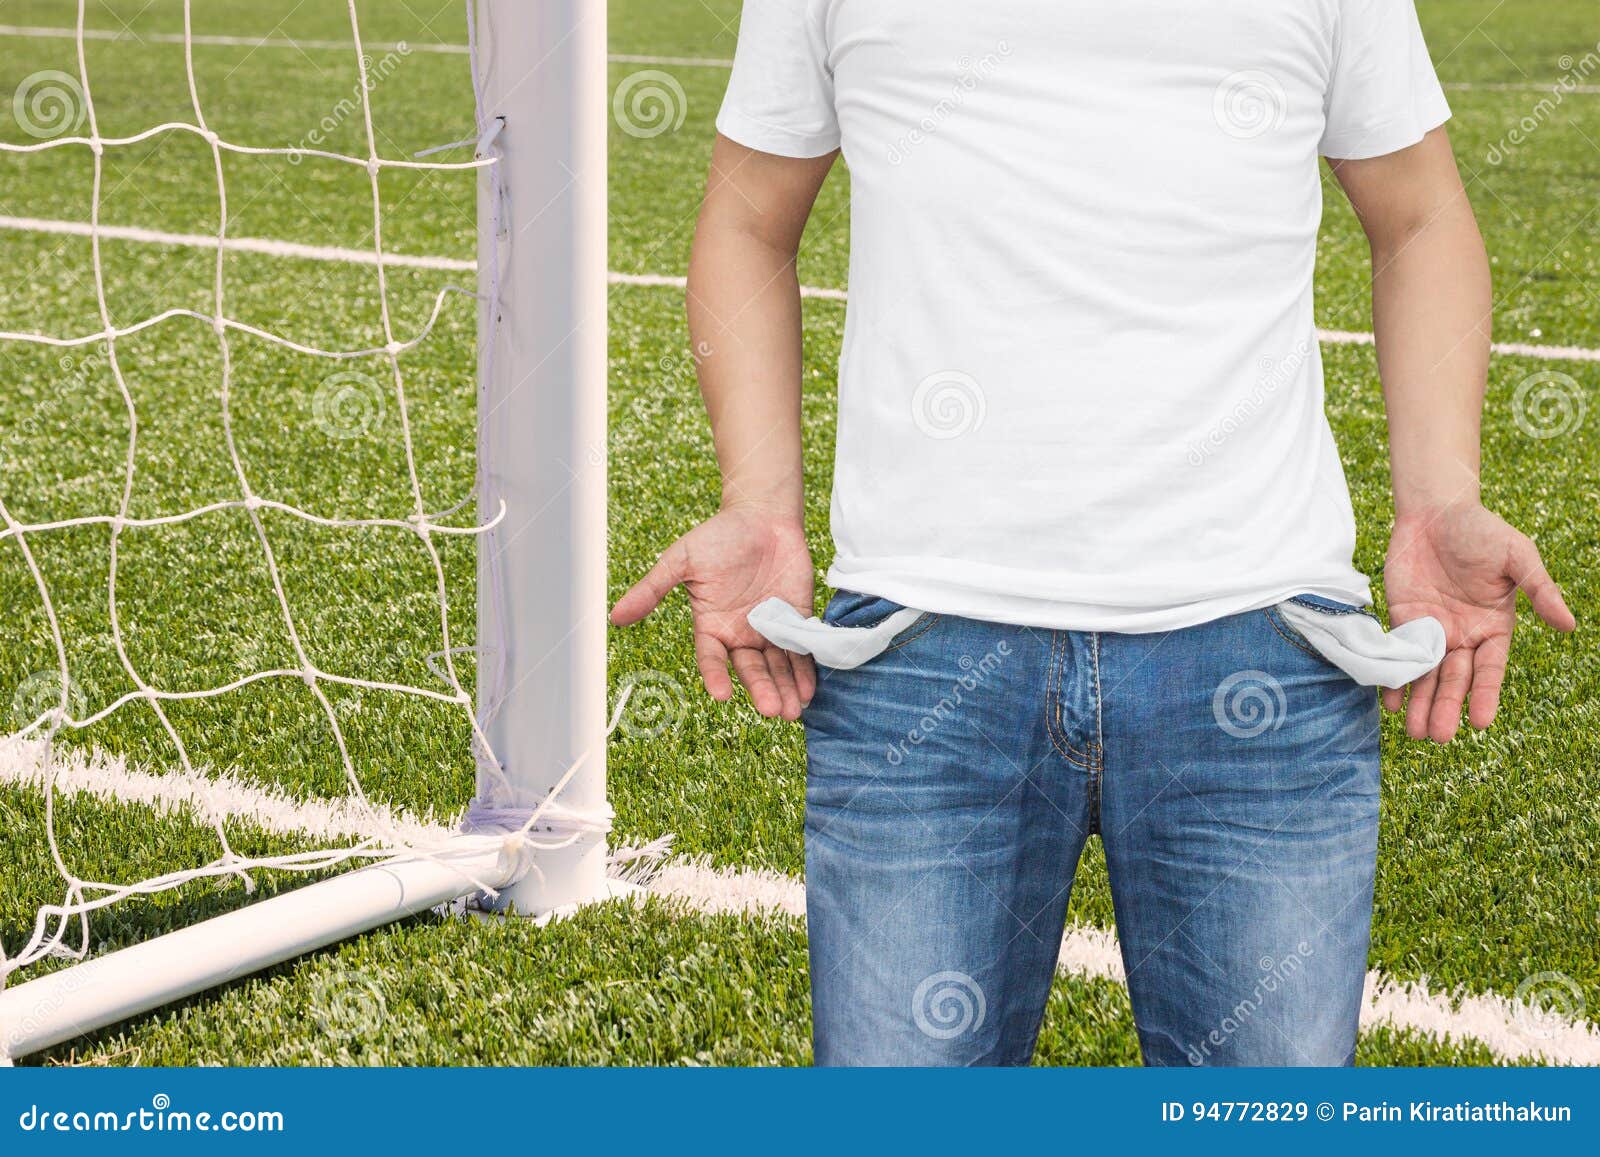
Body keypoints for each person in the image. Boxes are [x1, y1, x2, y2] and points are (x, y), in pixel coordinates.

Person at [610, 0, 1575, 1066]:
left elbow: (1419, 216)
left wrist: (1439, 498)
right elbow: (748, 217)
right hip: (922, 651)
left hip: (1262, 643)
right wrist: (758, 501)